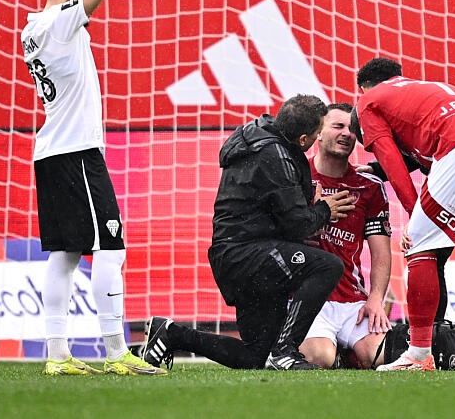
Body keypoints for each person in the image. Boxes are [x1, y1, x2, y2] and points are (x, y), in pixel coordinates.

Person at [22, 0, 165, 375]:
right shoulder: (60, 22)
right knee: (110, 249)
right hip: (76, 152)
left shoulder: (32, 28)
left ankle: (57, 354)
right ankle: (118, 351)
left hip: (52, 151)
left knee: (65, 255)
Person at [142, 95, 356, 370]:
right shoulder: (275, 156)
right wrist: (323, 209)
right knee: (327, 265)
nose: (316, 140)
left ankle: (172, 334)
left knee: (253, 356)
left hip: (240, 258)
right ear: (303, 139)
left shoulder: (258, 138)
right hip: (249, 256)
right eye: (317, 134)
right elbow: (299, 225)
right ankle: (285, 351)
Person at [352, 57, 455, 371]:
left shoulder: (367, 101)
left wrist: (414, 214)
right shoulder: (424, 89)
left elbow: (392, 160)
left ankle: (417, 355)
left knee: (420, 247)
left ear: (362, 88)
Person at [299, 103, 392, 369]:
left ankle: (347, 351)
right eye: (338, 126)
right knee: (319, 358)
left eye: (352, 129)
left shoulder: (369, 187)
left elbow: (380, 252)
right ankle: (332, 350)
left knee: (379, 356)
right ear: (318, 132)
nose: (347, 134)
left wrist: (375, 298)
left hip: (352, 299)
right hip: (305, 297)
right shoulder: (295, 178)